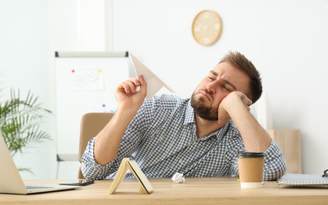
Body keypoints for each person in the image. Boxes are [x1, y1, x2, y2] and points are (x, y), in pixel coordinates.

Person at [81, 51, 286, 180]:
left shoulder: (238, 140)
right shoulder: (157, 109)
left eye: (225, 87)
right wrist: (125, 111)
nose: (210, 86)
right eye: (211, 77)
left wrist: (237, 108)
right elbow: (92, 170)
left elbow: (271, 170)